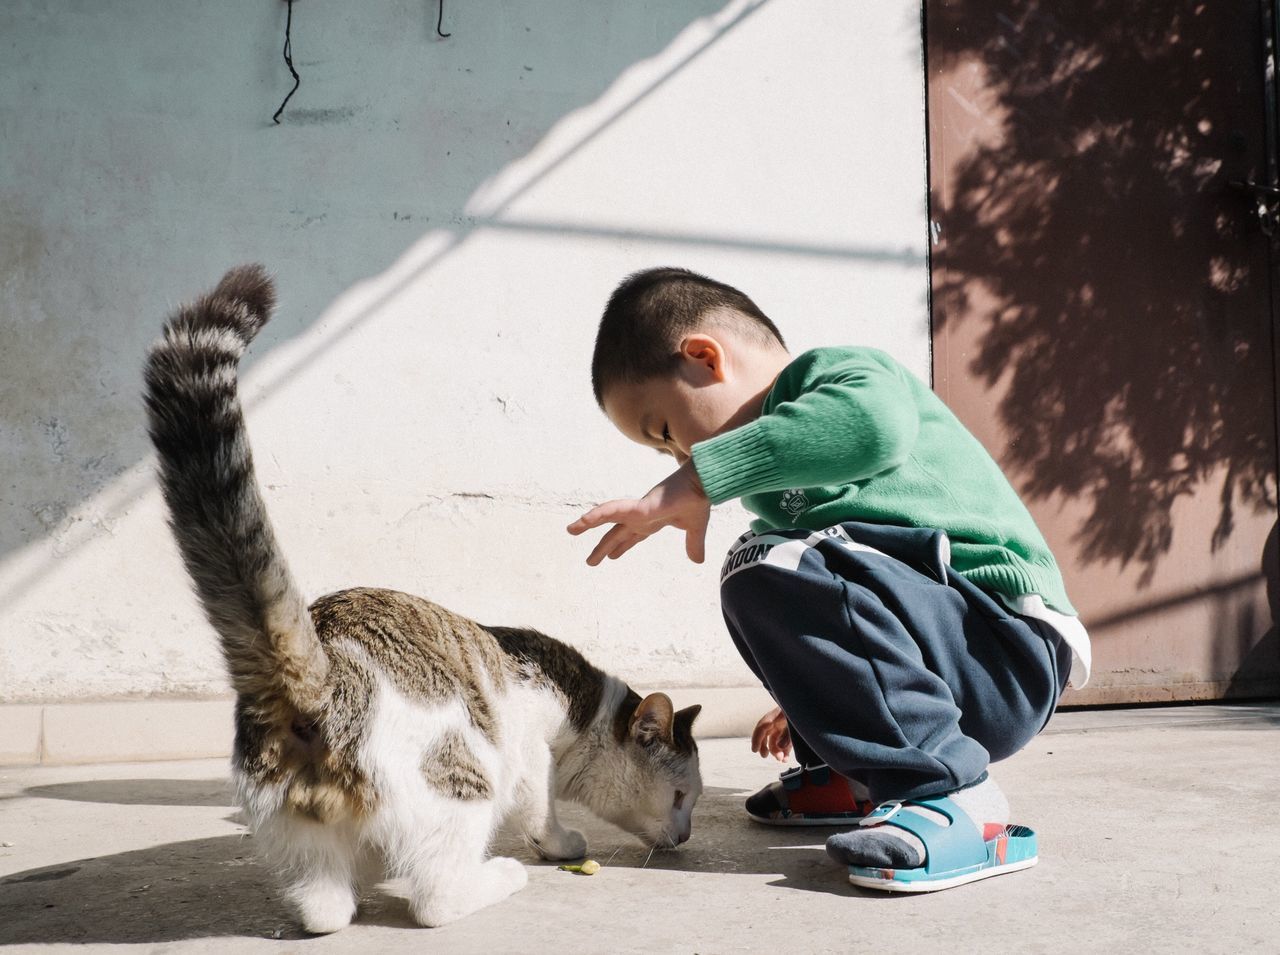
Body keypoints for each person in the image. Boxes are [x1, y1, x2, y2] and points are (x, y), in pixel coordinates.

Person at [567, 267, 1091, 892]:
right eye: (669, 458)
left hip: (1004, 643)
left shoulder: (839, 374)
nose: (683, 460)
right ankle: (859, 775)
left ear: (706, 358)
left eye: (666, 434)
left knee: (766, 561)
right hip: (955, 647)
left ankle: (952, 796)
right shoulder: (780, 496)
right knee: (769, 564)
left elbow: (872, 428)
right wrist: (813, 697)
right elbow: (859, 595)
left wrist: (696, 478)